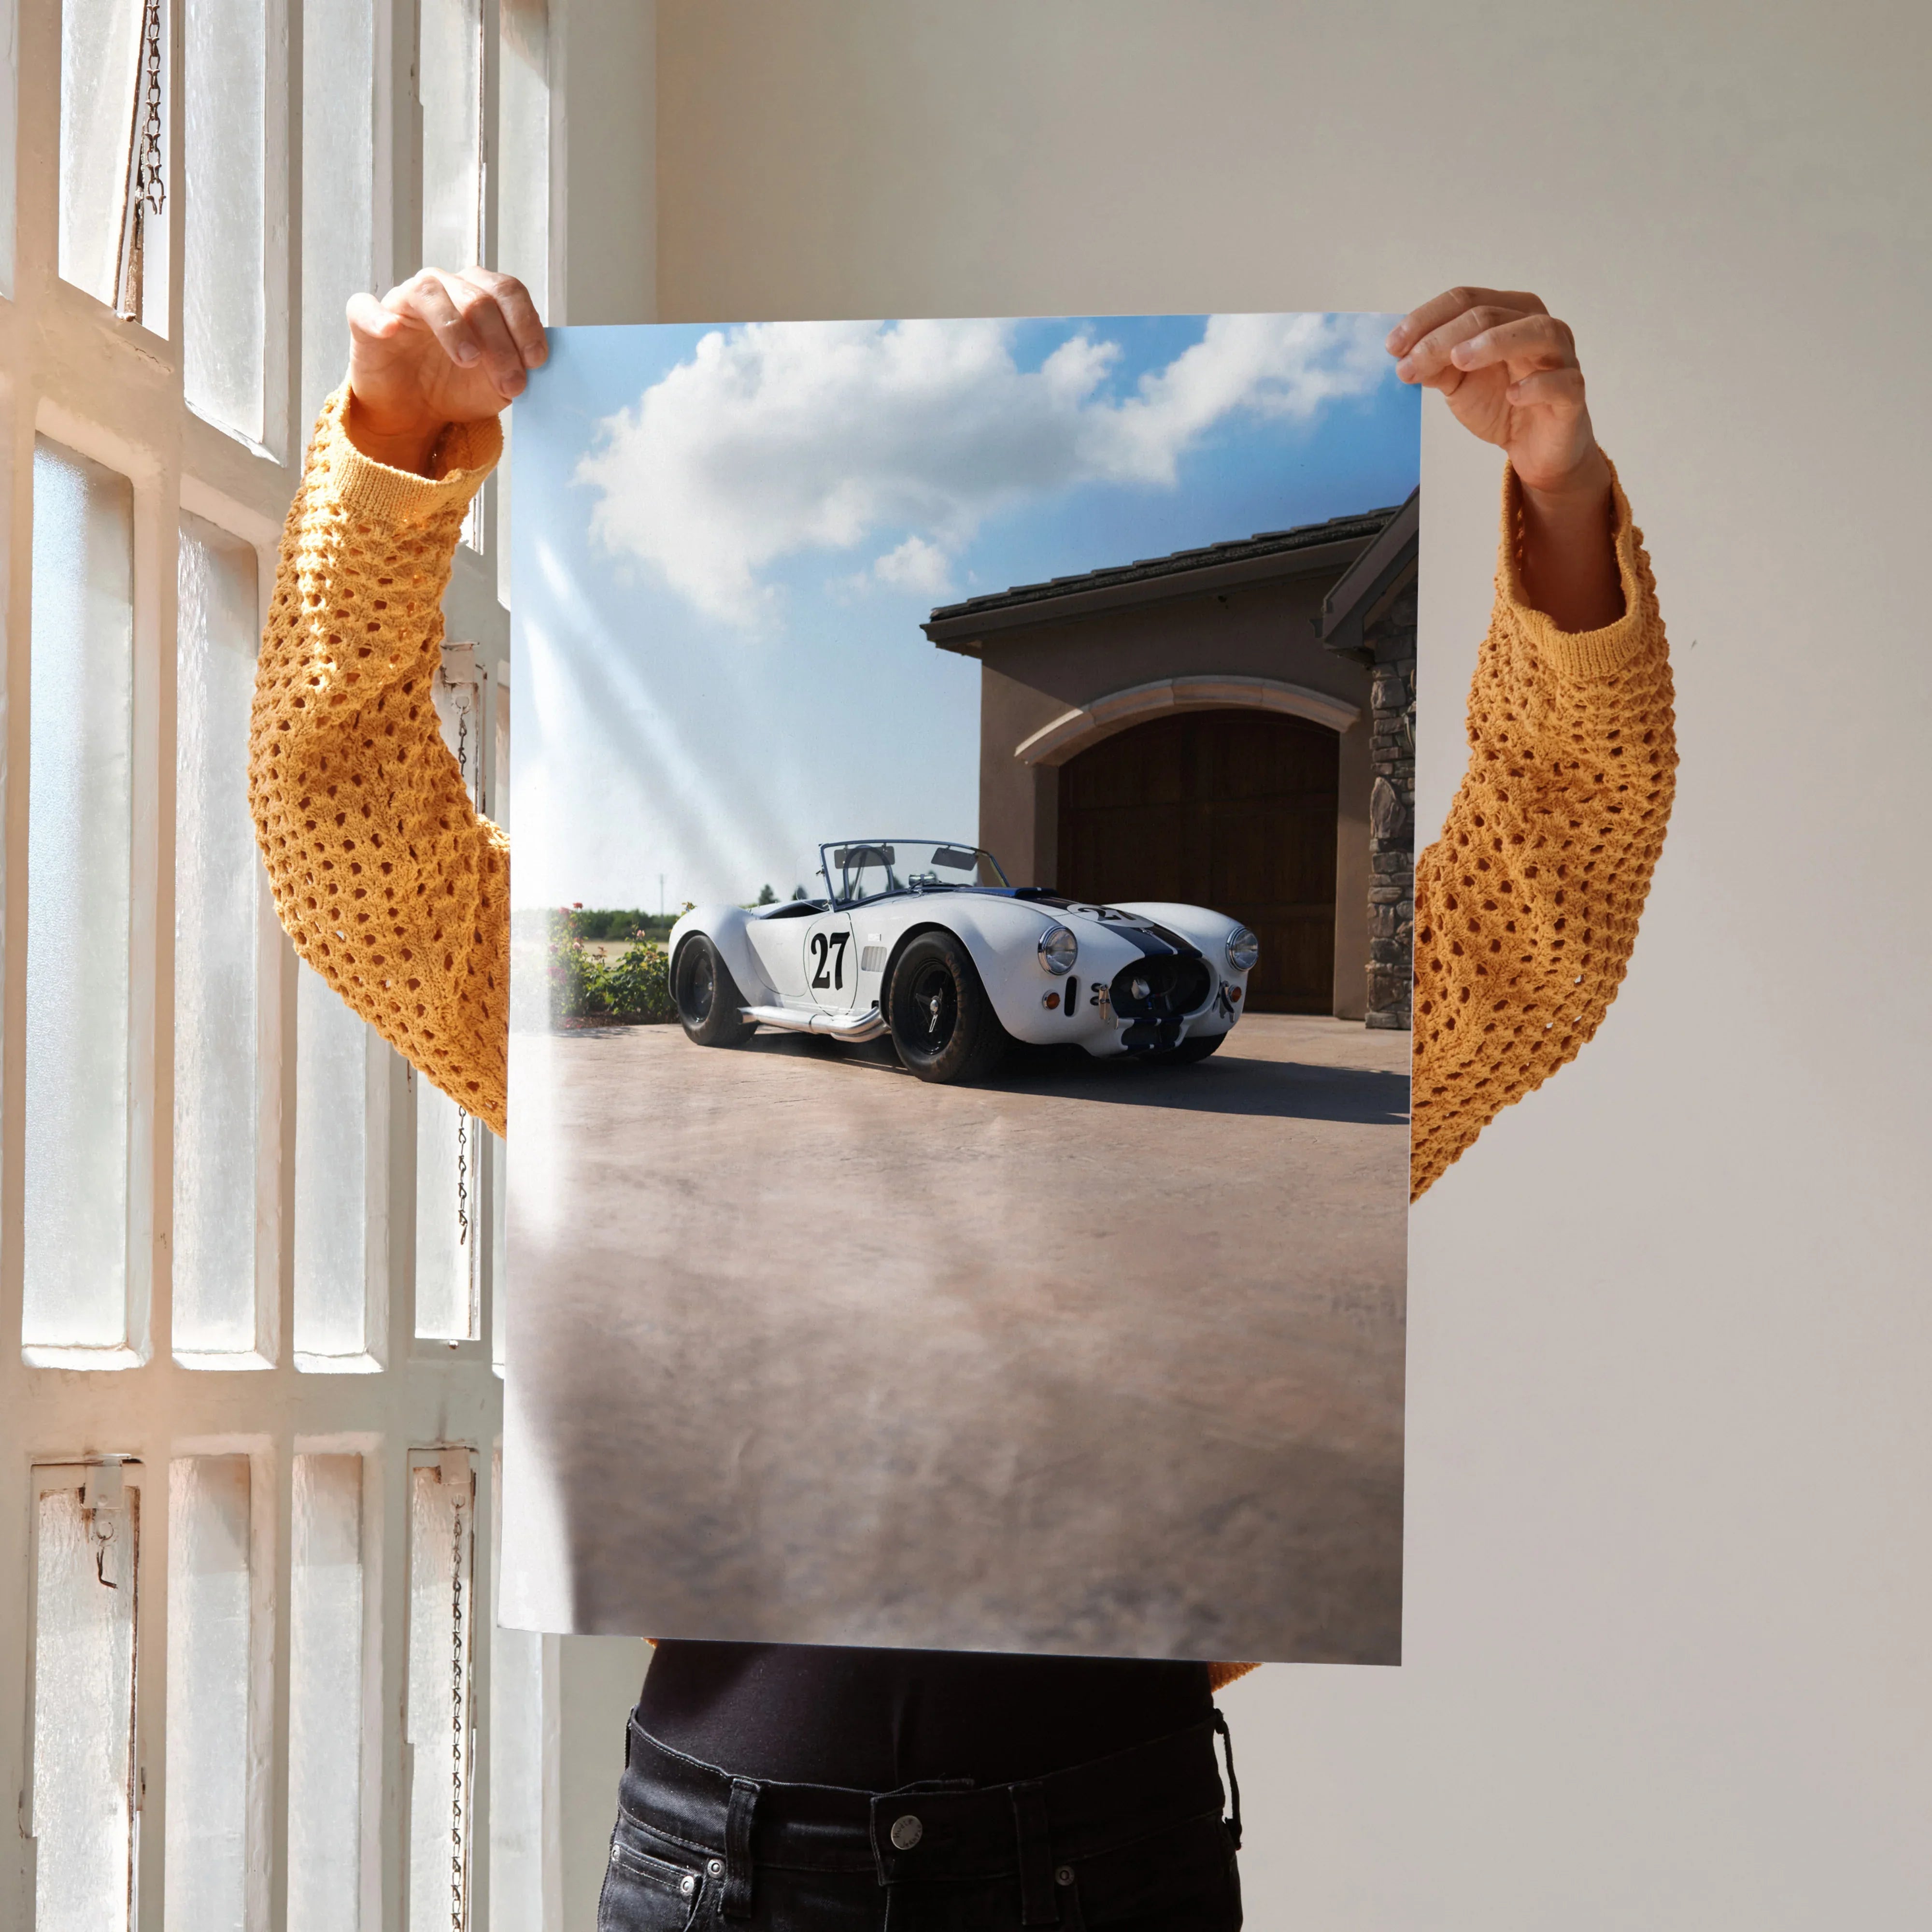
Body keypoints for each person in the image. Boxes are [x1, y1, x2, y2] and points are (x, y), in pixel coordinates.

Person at [250, 272, 1675, 1929]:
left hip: (1104, 1845)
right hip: (731, 1859)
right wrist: (394, 446)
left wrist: (1559, 498)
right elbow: (351, 850)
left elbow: (1544, 918)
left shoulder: (1281, 1119)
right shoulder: (635, 1081)